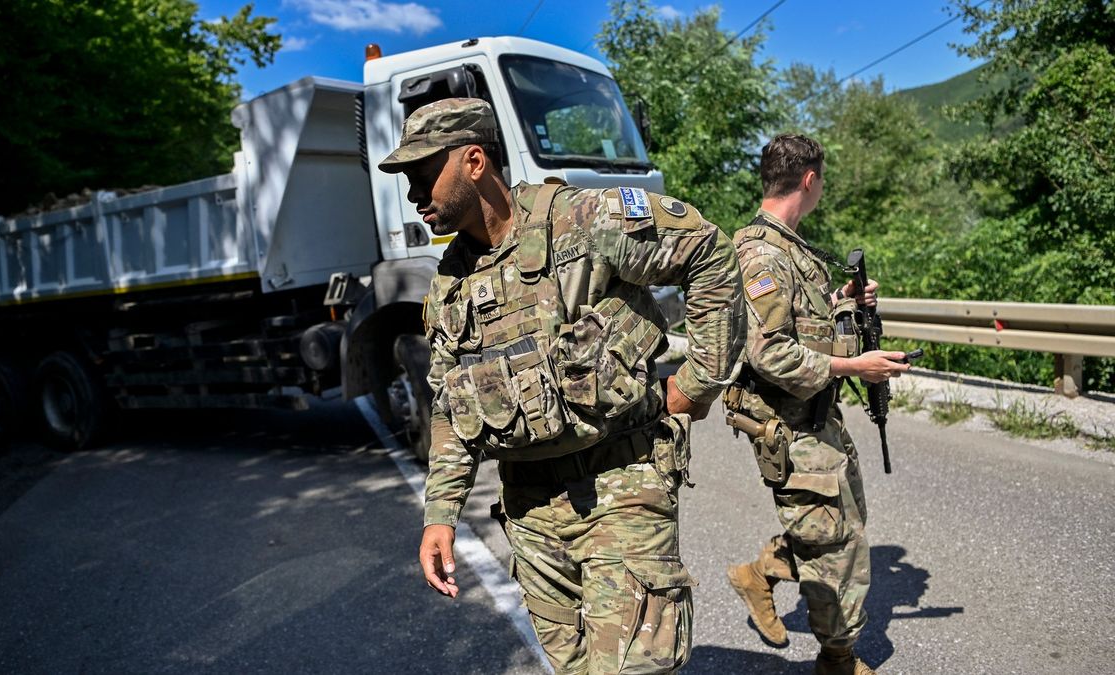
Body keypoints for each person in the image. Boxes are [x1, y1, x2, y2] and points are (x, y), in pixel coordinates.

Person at [377, 97, 746, 674]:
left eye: (424, 176)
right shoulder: (450, 283)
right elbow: (450, 401)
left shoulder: (582, 221)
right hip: (530, 509)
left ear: (474, 161)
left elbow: (709, 254)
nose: (414, 197)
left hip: (620, 484)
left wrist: (697, 385)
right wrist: (440, 514)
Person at [722, 134, 909, 675]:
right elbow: (769, 352)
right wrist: (855, 367)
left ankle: (758, 574)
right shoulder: (759, 254)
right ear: (810, 180)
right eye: (822, 180)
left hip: (818, 418)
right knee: (832, 544)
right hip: (790, 426)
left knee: (840, 526)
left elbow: (795, 322)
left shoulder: (789, 247)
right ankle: (838, 660)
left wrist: (841, 302)